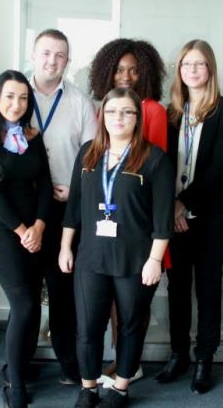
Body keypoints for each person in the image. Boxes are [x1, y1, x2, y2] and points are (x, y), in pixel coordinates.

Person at [60, 87, 175, 408]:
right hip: (90, 257)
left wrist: (155, 259)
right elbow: (74, 209)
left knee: (130, 325)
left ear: (137, 118)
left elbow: (163, 220)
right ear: (102, 115)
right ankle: (89, 387)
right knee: (87, 326)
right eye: (112, 111)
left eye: (127, 112)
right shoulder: (88, 153)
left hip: (136, 259)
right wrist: (65, 247)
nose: (118, 118)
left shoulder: (154, 159)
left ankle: (121, 388)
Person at [155, 39, 223, 394]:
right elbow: (159, 164)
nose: (192, 70)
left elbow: (218, 169)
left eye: (200, 64)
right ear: (179, 70)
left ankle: (205, 358)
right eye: (186, 64)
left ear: (211, 69)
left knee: (208, 288)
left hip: (209, 215)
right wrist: (170, 206)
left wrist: (181, 202)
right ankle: (179, 354)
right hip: (173, 218)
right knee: (177, 288)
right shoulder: (170, 112)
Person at [0, 70, 53, 408]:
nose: (16, 104)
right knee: (25, 304)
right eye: (9, 97)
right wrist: (23, 231)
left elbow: (46, 183)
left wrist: (41, 226)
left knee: (32, 304)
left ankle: (16, 366)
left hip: (36, 228)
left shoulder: (33, 136)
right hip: (3, 230)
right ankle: (15, 386)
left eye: (22, 98)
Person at [89, 37, 168, 385]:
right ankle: (121, 363)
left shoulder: (151, 110)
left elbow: (153, 168)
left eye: (135, 70)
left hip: (136, 223)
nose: (127, 76)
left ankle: (127, 366)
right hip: (106, 224)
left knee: (130, 306)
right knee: (105, 305)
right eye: (120, 69)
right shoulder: (104, 106)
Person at [27, 28, 97, 384]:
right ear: (33, 55)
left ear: (67, 61)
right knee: (24, 292)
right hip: (24, 209)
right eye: (46, 53)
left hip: (64, 208)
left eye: (60, 55)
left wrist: (76, 191)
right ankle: (20, 364)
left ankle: (70, 364)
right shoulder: (14, 94)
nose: (52, 60)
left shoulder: (80, 102)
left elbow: (93, 157)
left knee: (61, 289)